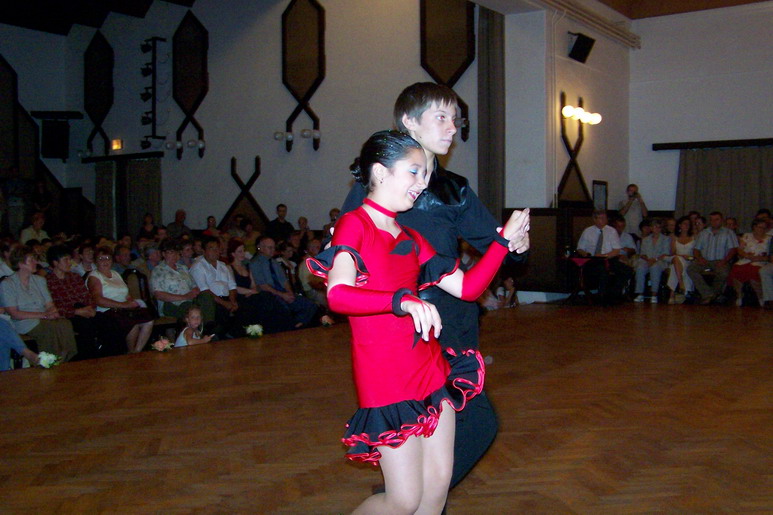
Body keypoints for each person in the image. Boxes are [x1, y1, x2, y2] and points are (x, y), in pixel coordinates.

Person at [308, 130, 529, 513]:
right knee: (403, 500)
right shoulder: (354, 225)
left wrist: (502, 243)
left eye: (425, 174)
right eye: (413, 172)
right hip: (384, 376)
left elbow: (468, 288)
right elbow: (338, 295)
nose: (421, 183)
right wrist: (401, 300)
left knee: (435, 490)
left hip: (430, 366)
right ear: (380, 172)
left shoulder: (410, 236)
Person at [0, 245, 77, 362]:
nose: (36, 262)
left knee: (64, 323)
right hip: (24, 321)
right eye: (31, 260)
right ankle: (48, 360)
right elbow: (14, 313)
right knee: (49, 328)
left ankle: (65, 357)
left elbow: (49, 304)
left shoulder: (40, 280)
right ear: (21, 263)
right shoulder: (8, 284)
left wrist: (52, 312)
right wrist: (44, 315)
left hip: (44, 318)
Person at [46, 244, 121, 358]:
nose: (70, 263)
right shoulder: (48, 282)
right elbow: (54, 306)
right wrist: (76, 311)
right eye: (66, 260)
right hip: (68, 315)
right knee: (87, 327)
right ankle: (88, 359)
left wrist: (90, 308)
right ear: (55, 263)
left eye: (70, 259)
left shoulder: (75, 277)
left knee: (110, 322)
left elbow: (87, 296)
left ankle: (109, 357)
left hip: (84, 310)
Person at [87, 247, 155, 353]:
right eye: (101, 259)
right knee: (132, 324)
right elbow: (98, 300)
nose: (105, 261)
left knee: (148, 320)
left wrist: (131, 301)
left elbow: (125, 293)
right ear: (96, 261)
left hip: (124, 308)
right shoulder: (94, 276)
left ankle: (136, 351)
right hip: (107, 311)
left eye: (108, 258)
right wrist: (124, 305)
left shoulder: (115, 274)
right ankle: (131, 352)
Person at [250, 237, 317, 329]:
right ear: (260, 248)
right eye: (269, 247)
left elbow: (284, 280)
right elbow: (262, 285)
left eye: (273, 247)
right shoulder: (255, 263)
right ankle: (290, 327)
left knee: (310, 305)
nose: (272, 250)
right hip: (269, 295)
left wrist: (289, 292)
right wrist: (282, 295)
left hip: (282, 292)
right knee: (283, 309)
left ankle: (295, 326)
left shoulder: (274, 262)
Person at [576, 210, 632, 303]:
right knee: (602, 270)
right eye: (601, 218)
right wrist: (586, 254)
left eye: (605, 218)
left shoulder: (611, 231)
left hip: (609, 258)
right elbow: (580, 248)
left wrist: (605, 256)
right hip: (593, 259)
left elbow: (616, 250)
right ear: (595, 219)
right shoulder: (588, 231)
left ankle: (614, 294)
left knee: (627, 270)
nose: (604, 220)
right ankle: (601, 296)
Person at [189, 237, 239, 339]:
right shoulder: (198, 266)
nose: (215, 251)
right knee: (220, 311)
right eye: (211, 248)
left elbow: (232, 286)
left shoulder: (223, 266)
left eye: (217, 248)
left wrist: (232, 302)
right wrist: (225, 303)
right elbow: (204, 290)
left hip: (226, 298)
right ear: (204, 251)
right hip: (210, 301)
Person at [687, 211, 738, 304]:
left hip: (721, 260)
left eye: (716, 219)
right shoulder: (704, 233)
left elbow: (733, 249)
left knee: (724, 272)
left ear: (721, 220)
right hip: (705, 260)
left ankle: (712, 294)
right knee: (691, 269)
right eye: (712, 220)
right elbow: (696, 249)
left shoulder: (728, 233)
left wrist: (724, 261)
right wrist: (699, 258)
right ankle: (708, 294)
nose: (714, 222)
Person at [150, 239, 201, 319]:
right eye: (171, 252)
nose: (174, 255)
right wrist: (184, 297)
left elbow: (194, 286)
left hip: (189, 301)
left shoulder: (183, 268)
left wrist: (194, 292)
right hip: (171, 304)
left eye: (176, 252)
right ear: (163, 254)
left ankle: (208, 324)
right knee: (190, 309)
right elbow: (159, 294)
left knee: (206, 298)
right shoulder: (158, 270)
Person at [728, 218, 771, 306]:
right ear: (754, 227)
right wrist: (746, 255)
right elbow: (739, 250)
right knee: (736, 269)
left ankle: (760, 297)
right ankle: (739, 296)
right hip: (746, 259)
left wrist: (760, 258)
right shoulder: (747, 236)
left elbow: (770, 255)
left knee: (753, 272)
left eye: (764, 228)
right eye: (760, 227)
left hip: (761, 261)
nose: (762, 230)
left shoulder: (769, 239)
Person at [633, 219, 670, 303]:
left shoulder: (666, 239)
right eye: (655, 227)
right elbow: (642, 253)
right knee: (640, 268)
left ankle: (654, 294)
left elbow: (666, 253)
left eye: (659, 227)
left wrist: (655, 259)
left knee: (655, 267)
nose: (657, 229)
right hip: (647, 260)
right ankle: (640, 294)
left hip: (660, 260)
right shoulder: (645, 239)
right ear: (651, 228)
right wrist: (648, 259)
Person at [666, 216, 696, 304]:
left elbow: (696, 254)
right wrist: (682, 256)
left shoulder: (694, 237)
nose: (686, 226)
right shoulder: (674, 237)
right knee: (676, 259)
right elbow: (673, 253)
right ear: (679, 225)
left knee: (674, 268)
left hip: (689, 260)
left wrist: (689, 257)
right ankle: (682, 285)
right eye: (684, 224)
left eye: (688, 224)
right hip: (677, 259)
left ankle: (672, 293)